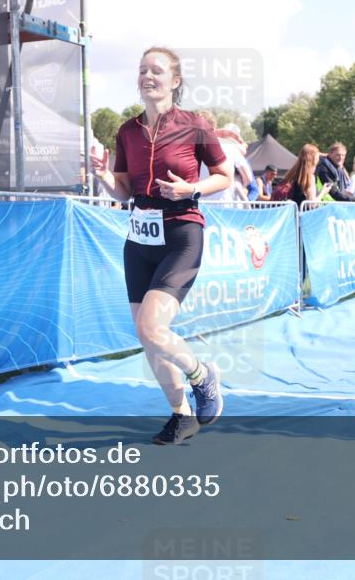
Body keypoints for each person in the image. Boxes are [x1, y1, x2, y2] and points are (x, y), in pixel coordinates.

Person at [90, 46, 232, 445]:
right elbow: (122, 188)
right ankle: (181, 414)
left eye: (156, 70)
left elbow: (224, 175)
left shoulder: (195, 125)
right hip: (139, 237)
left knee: (153, 328)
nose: (147, 76)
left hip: (182, 233)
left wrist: (193, 188)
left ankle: (203, 377)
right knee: (145, 333)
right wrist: (103, 175)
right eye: (142, 70)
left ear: (175, 81)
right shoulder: (127, 130)